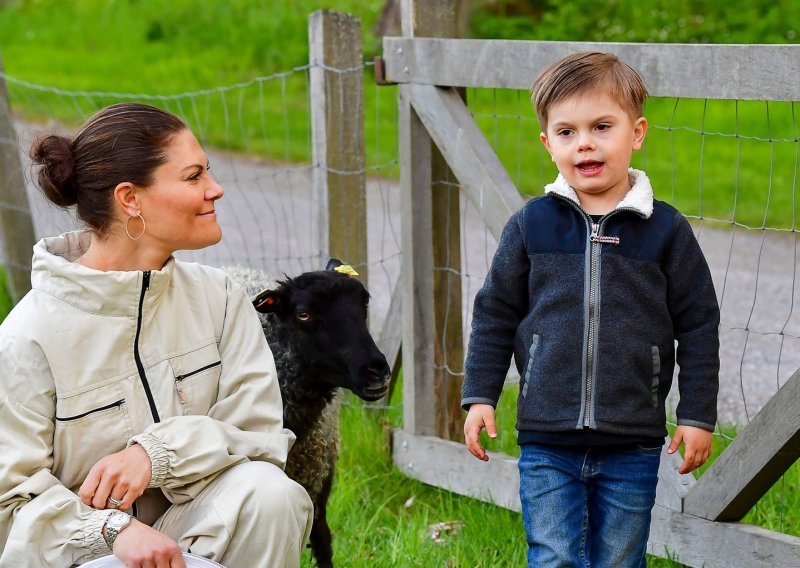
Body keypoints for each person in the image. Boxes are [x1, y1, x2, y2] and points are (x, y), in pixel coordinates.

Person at [0, 102, 313, 567]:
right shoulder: (28, 338)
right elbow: (9, 509)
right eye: (193, 177)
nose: (216, 189)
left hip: (195, 535)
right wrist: (113, 531)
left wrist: (157, 455)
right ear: (131, 199)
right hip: (89, 555)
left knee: (271, 496)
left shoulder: (220, 298)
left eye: (210, 172)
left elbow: (261, 439)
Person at [462, 52, 720, 568]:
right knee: (553, 555)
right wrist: (480, 395)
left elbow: (698, 325)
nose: (584, 142)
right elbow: (494, 314)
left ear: (637, 131)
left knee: (620, 559)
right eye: (566, 131)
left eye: (602, 126)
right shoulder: (530, 225)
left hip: (634, 441)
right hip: (546, 437)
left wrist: (696, 414)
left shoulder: (666, 231)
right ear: (547, 143)